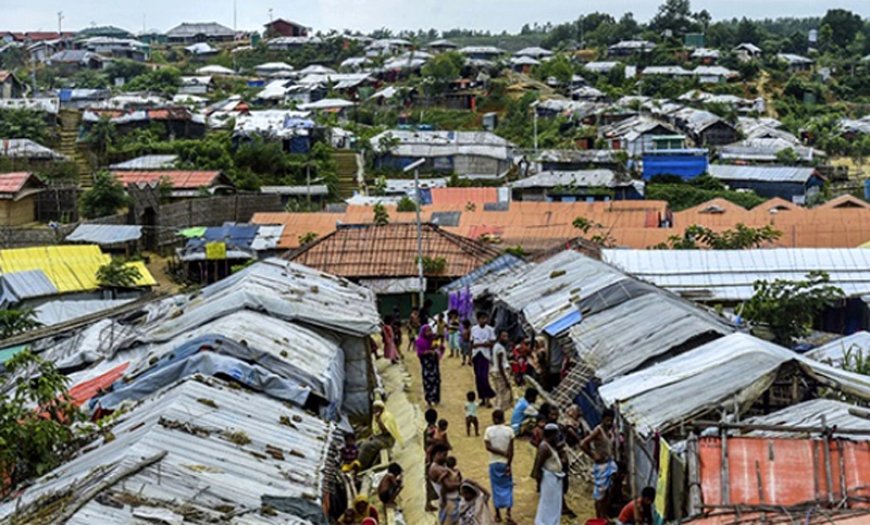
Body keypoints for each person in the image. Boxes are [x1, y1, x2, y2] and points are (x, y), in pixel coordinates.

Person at [581, 408, 619, 519]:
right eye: (607, 420)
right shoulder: (598, 430)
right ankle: (599, 518)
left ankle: (604, 515)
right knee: (600, 495)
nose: (609, 423)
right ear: (602, 419)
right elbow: (583, 444)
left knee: (607, 492)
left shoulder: (610, 431)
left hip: (609, 463)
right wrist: (593, 455)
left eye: (611, 420)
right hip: (601, 465)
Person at [484, 410, 515, 525]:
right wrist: (508, 463)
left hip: (494, 462)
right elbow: (511, 450)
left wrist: (500, 453)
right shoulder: (509, 431)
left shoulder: (489, 431)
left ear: (493, 418)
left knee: (495, 487)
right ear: (503, 418)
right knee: (508, 486)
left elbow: (488, 447)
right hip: (505, 463)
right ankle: (508, 513)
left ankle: (497, 514)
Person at [532, 424, 565, 525]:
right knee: (548, 503)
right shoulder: (544, 447)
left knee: (554, 503)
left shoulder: (550, 445)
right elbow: (538, 466)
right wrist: (538, 481)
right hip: (549, 479)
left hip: (554, 478)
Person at [358, 400, 402, 469]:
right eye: (374, 408)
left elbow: (386, 431)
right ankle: (359, 462)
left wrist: (379, 420)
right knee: (362, 443)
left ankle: (362, 465)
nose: (375, 410)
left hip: (387, 439)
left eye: (377, 408)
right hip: (379, 437)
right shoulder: (375, 416)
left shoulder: (387, 416)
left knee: (369, 446)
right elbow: (376, 431)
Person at [429, 443, 461, 525]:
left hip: (449, 500)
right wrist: (460, 483)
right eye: (444, 455)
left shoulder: (440, 467)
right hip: (449, 501)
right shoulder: (437, 469)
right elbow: (448, 486)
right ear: (438, 454)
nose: (445, 457)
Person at [470, 312, 496, 407]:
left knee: (484, 377)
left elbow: (492, 343)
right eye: (481, 318)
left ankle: (488, 398)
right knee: (478, 378)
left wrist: (481, 345)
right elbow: (471, 343)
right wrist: (470, 357)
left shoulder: (490, 330)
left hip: (485, 356)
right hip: (476, 356)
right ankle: (482, 398)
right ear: (478, 319)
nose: (483, 320)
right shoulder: (474, 329)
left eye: (485, 318)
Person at [416, 325, 442, 406]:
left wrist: (437, 349)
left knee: (436, 381)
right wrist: (428, 352)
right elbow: (419, 352)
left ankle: (436, 398)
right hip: (427, 365)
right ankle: (429, 400)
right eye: (427, 331)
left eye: (430, 330)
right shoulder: (420, 341)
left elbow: (440, 347)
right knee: (427, 382)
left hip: (434, 363)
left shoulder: (434, 339)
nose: (429, 332)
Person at [489, 330, 514, 411]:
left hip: (495, 372)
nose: (506, 338)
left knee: (498, 393)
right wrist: (505, 379)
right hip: (500, 373)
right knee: (503, 395)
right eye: (504, 336)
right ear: (499, 337)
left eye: (506, 336)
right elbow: (500, 365)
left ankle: (497, 410)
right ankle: (499, 411)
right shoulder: (500, 348)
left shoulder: (496, 346)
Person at [425, 408, 440, 512]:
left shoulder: (426, 430)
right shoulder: (434, 430)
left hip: (429, 458)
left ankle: (428, 502)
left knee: (429, 482)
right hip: (433, 458)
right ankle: (428, 503)